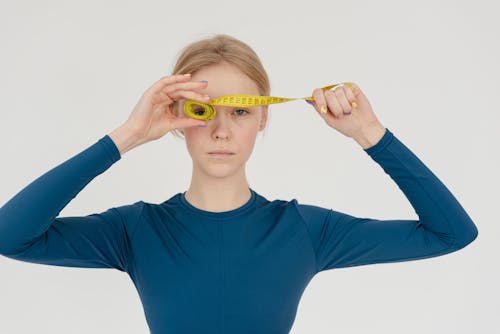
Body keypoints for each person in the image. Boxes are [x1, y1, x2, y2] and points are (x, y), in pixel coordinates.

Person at [0, 34, 478, 334]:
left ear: (263, 119)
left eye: (241, 111)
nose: (221, 131)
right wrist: (126, 136)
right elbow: (10, 235)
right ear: (178, 120)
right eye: (203, 112)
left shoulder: (305, 230)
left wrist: (370, 136)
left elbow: (452, 233)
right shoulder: (137, 231)